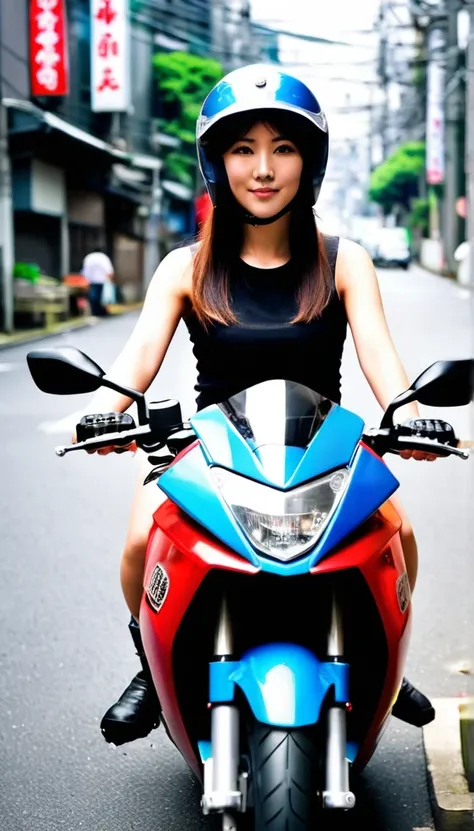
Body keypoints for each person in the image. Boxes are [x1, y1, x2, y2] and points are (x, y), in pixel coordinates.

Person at [76, 64, 443, 746]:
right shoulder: (184, 267)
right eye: (243, 149)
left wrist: (411, 410)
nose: (264, 168)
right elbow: (133, 365)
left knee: (402, 538)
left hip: (324, 445)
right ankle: (150, 666)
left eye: (283, 147)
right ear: (218, 163)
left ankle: (386, 661)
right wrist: (104, 409)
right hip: (206, 447)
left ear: (311, 160)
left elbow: (382, 361)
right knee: (136, 545)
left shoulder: (344, 261)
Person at [81, 249, 114, 317]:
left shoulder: (89, 257)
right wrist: (110, 280)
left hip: (92, 280)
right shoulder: (103, 257)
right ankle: (102, 311)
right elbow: (109, 270)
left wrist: (86, 280)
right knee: (102, 297)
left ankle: (94, 312)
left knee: (93, 296)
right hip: (102, 280)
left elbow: (85, 270)